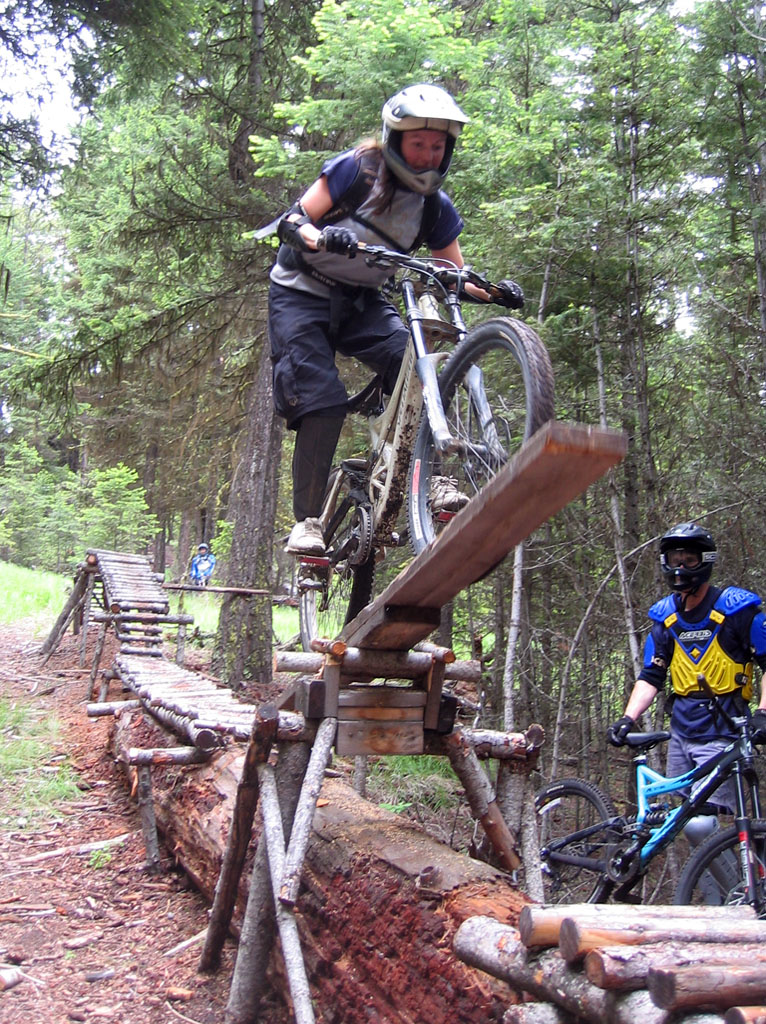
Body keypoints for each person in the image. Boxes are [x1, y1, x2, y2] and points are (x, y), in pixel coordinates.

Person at [268, 83, 525, 556]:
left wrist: (492, 292)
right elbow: (293, 220)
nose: (428, 155)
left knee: (418, 365)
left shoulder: (434, 207)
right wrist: (322, 238)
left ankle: (431, 479)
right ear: (396, 140)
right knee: (321, 398)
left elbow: (451, 274)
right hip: (300, 293)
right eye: (418, 144)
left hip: (361, 301)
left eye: (437, 146)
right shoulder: (356, 170)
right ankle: (307, 522)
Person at [608, 522, 766, 842]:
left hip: (723, 729)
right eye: (674, 559)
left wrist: (763, 713)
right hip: (681, 732)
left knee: (701, 825)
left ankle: (741, 876)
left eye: (689, 559)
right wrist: (628, 718)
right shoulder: (665, 618)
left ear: (705, 561)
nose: (680, 568)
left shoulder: (738, 611)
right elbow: (651, 676)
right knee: (684, 825)